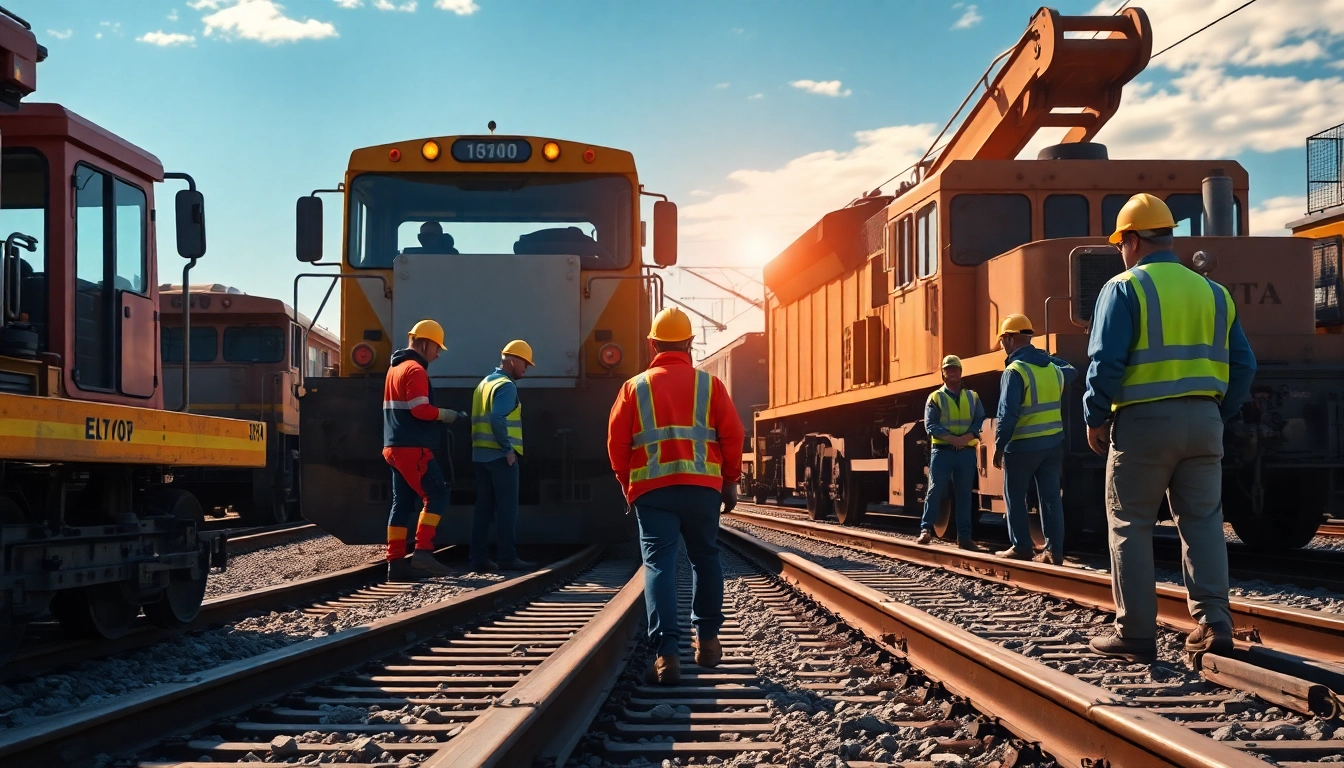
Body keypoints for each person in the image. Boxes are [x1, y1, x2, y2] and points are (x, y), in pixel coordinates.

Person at [1084, 193, 1256, 663]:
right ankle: (1214, 623)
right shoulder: (1213, 292)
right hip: (1204, 421)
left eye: (1121, 243)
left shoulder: (1125, 288)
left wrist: (1095, 416)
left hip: (1143, 422)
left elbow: (1105, 362)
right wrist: (1215, 413)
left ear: (1134, 240)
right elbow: (1244, 366)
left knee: (1130, 523)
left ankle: (1136, 633)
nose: (1121, 251)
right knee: (1202, 522)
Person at [607, 307, 745, 686]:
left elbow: (617, 444)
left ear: (652, 343)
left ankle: (667, 656)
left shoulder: (634, 387)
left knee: (659, 567)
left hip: (653, 492)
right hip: (702, 489)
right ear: (690, 343)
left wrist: (626, 483)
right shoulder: (710, 385)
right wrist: (729, 480)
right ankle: (710, 641)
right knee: (705, 558)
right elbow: (733, 436)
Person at [382, 319, 465, 581]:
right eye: (437, 348)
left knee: (402, 504)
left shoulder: (393, 369)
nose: (438, 354)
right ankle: (423, 551)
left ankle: (395, 564)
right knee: (437, 495)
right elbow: (420, 409)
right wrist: (446, 414)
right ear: (426, 343)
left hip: (393, 446)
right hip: (412, 447)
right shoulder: (416, 370)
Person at [992, 314, 1077, 564]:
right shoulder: (1052, 368)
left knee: (1015, 496)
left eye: (1001, 340)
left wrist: (998, 447)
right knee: (1050, 496)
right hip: (1052, 444)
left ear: (1009, 339)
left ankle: (1021, 546)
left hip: (1022, 446)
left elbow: (1007, 415)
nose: (1001, 346)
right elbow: (1071, 371)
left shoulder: (1014, 371)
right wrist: (1046, 357)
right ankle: (1054, 551)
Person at [469, 340, 536, 571]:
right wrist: (508, 449)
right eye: (524, 364)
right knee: (507, 508)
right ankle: (507, 557)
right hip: (500, 457)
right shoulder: (507, 386)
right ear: (512, 361)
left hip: (480, 456)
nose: (525, 369)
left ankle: (477, 559)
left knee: (483, 509)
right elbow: (497, 418)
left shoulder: (484, 383)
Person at [916, 355, 985, 549]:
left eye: (956, 368)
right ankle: (926, 530)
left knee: (964, 494)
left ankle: (964, 537)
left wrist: (967, 437)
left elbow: (979, 420)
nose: (953, 371)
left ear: (961, 372)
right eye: (949, 368)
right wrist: (954, 439)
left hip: (965, 452)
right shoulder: (936, 397)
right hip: (943, 451)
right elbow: (931, 426)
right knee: (935, 490)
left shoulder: (973, 396)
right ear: (943, 373)